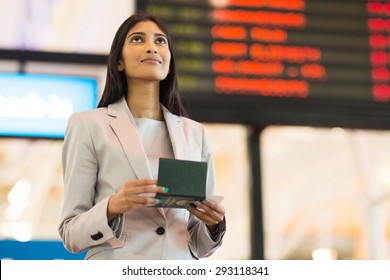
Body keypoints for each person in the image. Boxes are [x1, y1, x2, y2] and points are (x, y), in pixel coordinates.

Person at [58, 13, 226, 260]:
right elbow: (71, 233)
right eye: (138, 39)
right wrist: (113, 205)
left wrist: (214, 225)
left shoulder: (195, 133)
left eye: (160, 41)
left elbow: (198, 245)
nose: (152, 47)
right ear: (119, 62)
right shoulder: (88, 125)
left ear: (168, 61)